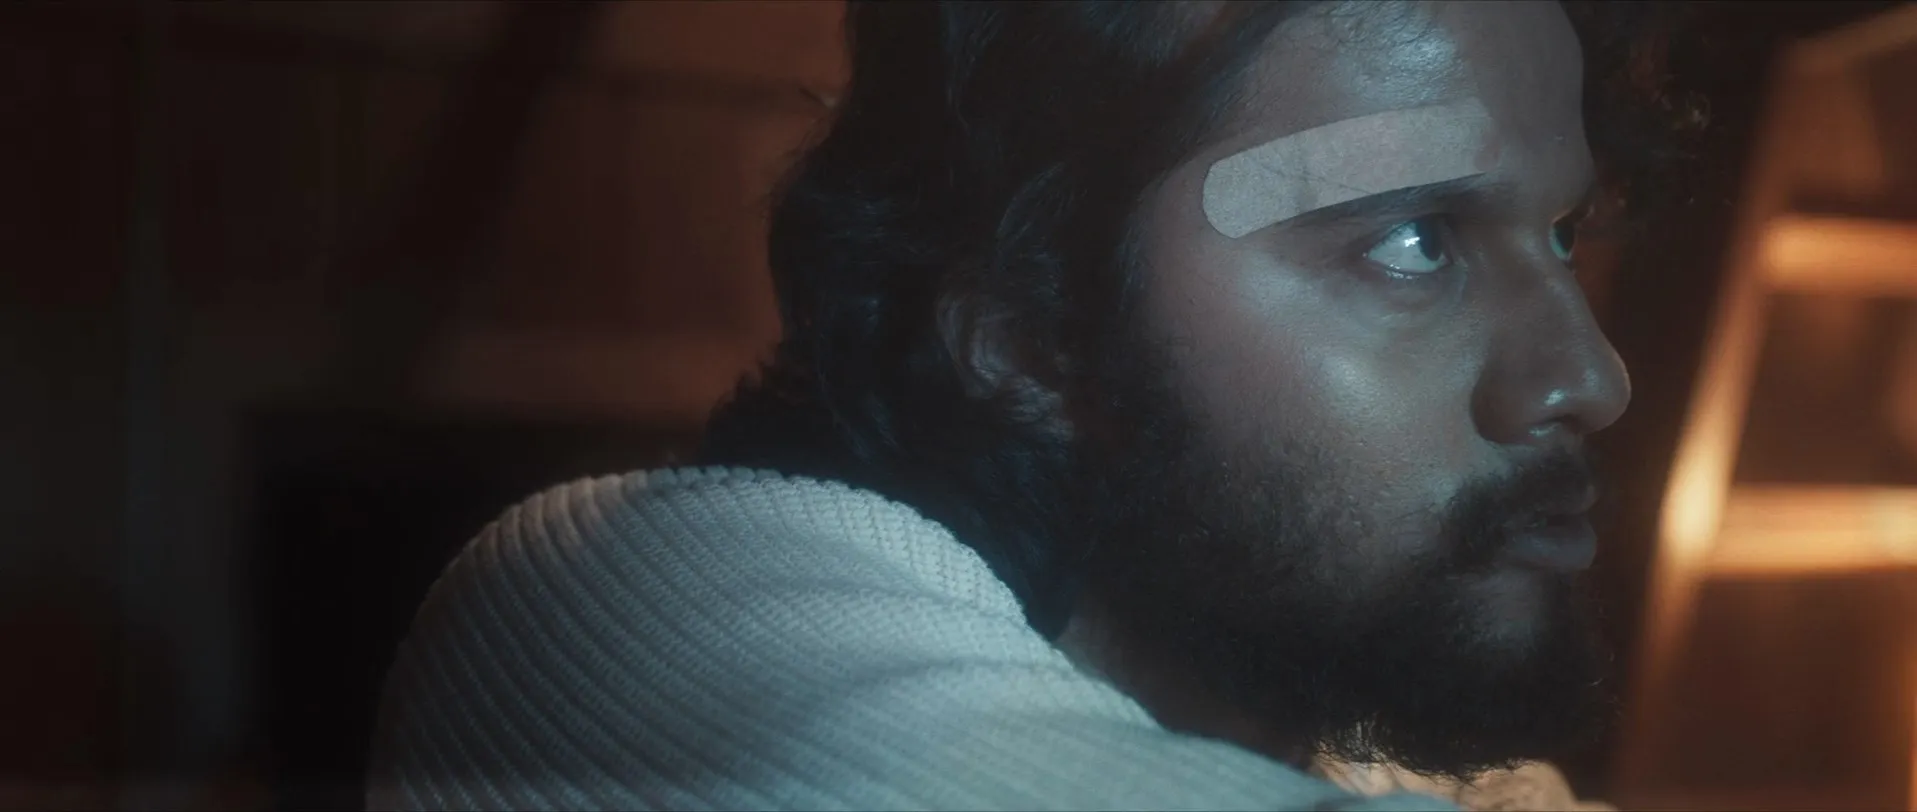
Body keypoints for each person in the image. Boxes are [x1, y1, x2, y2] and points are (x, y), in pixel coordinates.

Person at [368, 1, 1674, 809]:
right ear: (1032, 336)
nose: (1590, 377)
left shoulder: (1374, 752)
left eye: (1562, 233)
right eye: (1412, 242)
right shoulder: (636, 609)